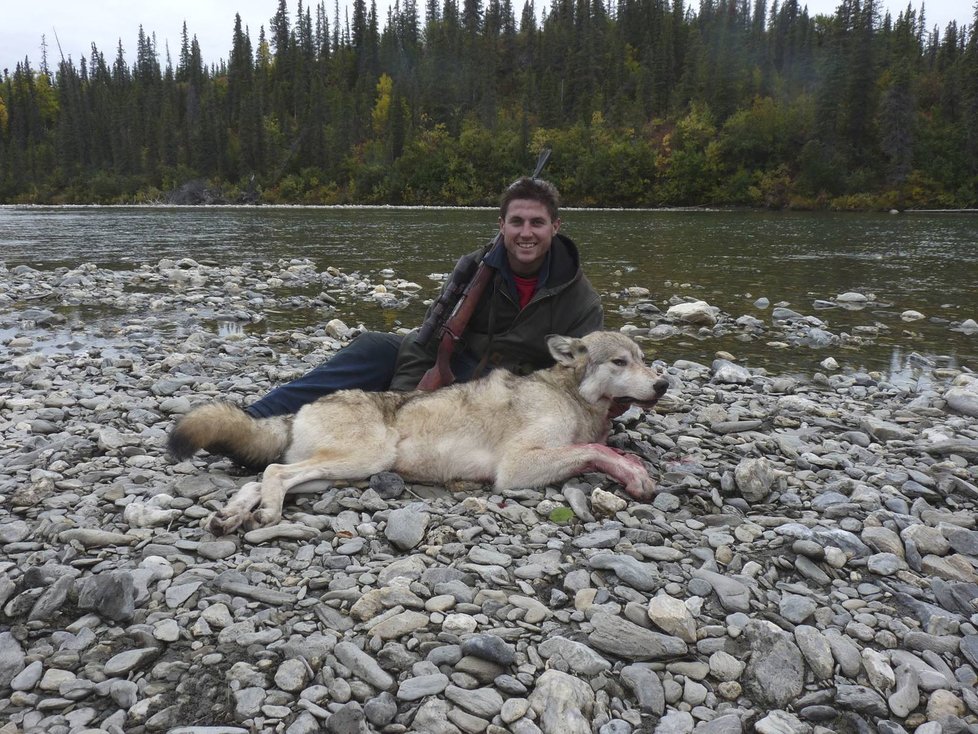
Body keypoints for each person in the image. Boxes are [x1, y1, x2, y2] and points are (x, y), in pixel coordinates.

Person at [244, 177, 603, 418]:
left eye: (537, 223)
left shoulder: (581, 300)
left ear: (555, 226)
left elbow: (585, 377)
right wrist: (408, 397)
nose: (526, 233)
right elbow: (429, 338)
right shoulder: (476, 268)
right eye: (517, 222)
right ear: (501, 225)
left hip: (511, 392)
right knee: (372, 347)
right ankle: (252, 420)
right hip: (458, 364)